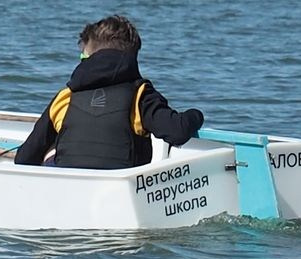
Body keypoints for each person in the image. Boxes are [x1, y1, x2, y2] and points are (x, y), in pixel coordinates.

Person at [14, 14, 204, 168]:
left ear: (88, 57)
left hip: (69, 190)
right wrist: (196, 115)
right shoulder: (140, 95)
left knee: (53, 151)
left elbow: (24, 158)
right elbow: (178, 131)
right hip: (119, 192)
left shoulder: (66, 97)